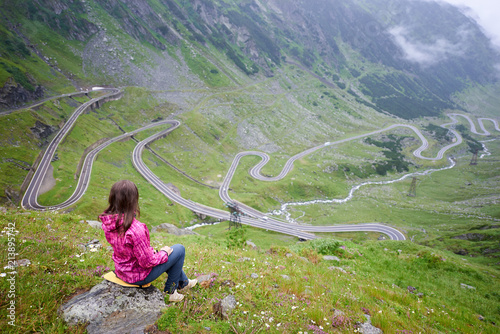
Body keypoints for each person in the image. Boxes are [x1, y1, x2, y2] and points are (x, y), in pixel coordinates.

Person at [99, 180, 196, 302]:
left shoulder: (109, 222)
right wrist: (164, 253)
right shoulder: (136, 229)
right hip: (138, 276)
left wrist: (156, 253)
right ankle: (171, 292)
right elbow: (147, 262)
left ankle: (184, 282)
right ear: (133, 200)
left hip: (121, 270)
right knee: (179, 250)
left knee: (167, 255)